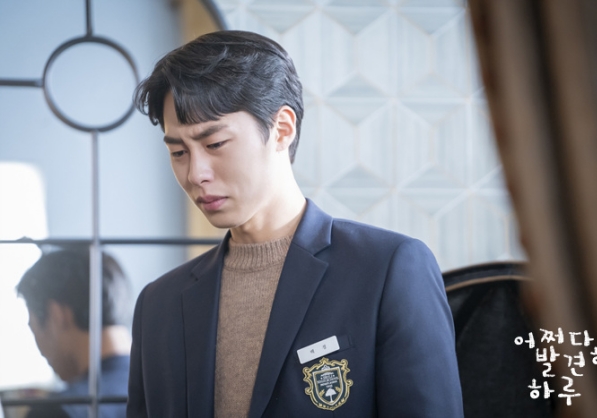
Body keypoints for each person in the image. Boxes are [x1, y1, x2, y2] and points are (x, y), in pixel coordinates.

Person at [129, 30, 463, 417]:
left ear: (282, 129)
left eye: (215, 144)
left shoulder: (388, 269)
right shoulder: (159, 305)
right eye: (178, 152)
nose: (196, 173)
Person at [16, 247, 132, 418]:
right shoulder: (166, 388)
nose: (41, 352)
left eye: (33, 328)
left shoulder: (57, 411)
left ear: (57, 315)